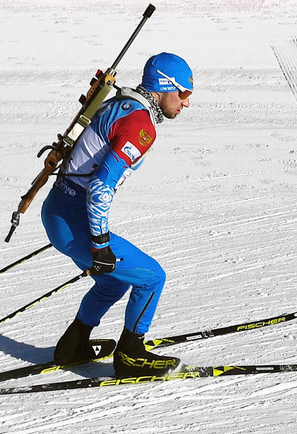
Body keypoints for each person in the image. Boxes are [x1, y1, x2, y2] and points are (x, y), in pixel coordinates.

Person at [41, 52, 193, 377]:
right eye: (183, 93)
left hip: (56, 213)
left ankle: (74, 345)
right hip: (75, 221)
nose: (186, 103)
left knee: (113, 282)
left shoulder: (120, 105)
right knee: (152, 277)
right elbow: (100, 187)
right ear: (165, 87)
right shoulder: (141, 124)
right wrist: (100, 244)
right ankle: (131, 355)